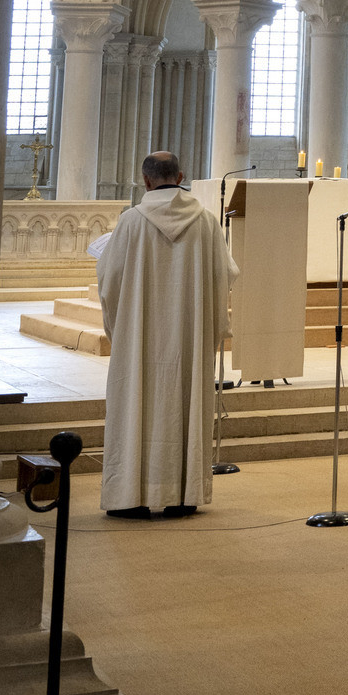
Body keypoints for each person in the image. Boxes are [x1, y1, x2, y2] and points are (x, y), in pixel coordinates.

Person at [96, 151, 237, 517]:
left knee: (136, 407)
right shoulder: (206, 222)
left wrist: (119, 329)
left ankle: (130, 496)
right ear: (181, 175)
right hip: (188, 338)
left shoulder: (129, 223)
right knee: (183, 407)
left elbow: (109, 283)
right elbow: (224, 278)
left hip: (140, 338)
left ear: (145, 181)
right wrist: (211, 329)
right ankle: (182, 494)